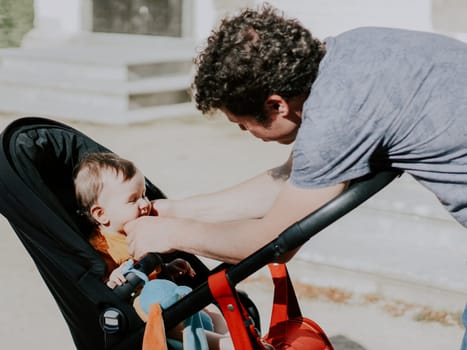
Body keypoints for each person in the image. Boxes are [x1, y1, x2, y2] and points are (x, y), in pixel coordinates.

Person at [123, 4, 467, 349]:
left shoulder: (333, 121)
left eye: (243, 124)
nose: (246, 132)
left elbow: (272, 240)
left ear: (276, 106)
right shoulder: (348, 54)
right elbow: (293, 178)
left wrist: (172, 234)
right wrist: (181, 211)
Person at [73, 152, 237, 350]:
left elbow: (151, 269)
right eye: (133, 200)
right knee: (155, 310)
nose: (145, 204)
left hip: (168, 295)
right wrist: (111, 279)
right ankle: (222, 344)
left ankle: (233, 334)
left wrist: (167, 267)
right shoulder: (102, 247)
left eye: (144, 195)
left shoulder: (141, 230)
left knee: (204, 301)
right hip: (142, 310)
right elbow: (97, 289)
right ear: (102, 214)